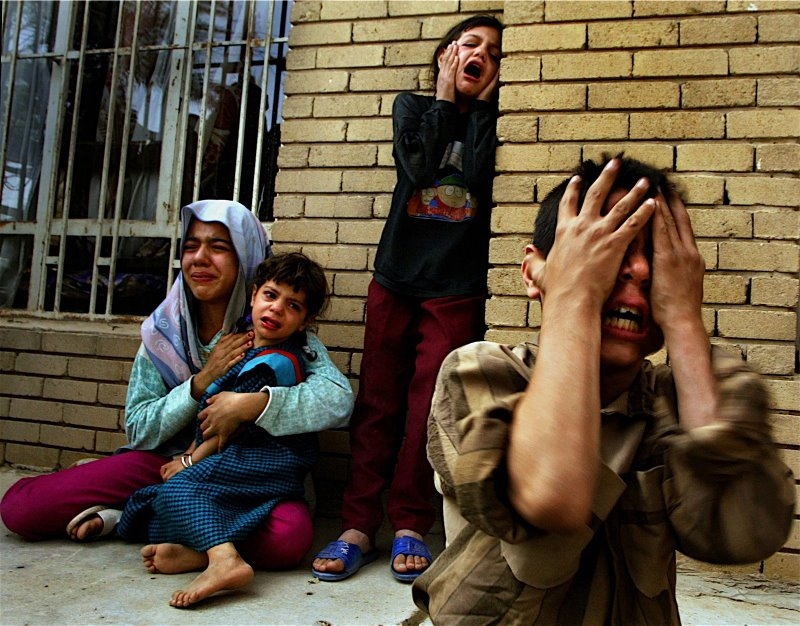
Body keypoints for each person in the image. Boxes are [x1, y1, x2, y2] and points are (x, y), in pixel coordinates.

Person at [411, 155, 795, 623]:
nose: (640, 270)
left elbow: (740, 535)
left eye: (658, 257)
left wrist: (683, 320)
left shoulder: (676, 399)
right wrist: (574, 293)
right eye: (608, 247)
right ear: (533, 272)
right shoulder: (481, 373)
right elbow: (551, 497)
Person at [0, 201, 354, 575]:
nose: (200, 258)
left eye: (218, 247)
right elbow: (139, 427)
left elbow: (337, 400)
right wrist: (200, 383)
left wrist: (250, 404)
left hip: (245, 475)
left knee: (286, 538)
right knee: (22, 509)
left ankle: (159, 529)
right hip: (164, 463)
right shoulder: (164, 332)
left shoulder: (276, 327)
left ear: (246, 257)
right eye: (191, 246)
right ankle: (169, 520)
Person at [311, 14, 503, 583]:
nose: (482, 56)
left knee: (426, 410)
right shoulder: (411, 108)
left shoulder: (494, 123)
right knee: (378, 404)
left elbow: (481, 175)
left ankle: (411, 524)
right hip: (396, 279)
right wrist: (443, 100)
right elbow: (416, 166)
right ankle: (356, 524)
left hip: (455, 289)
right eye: (470, 45)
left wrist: (478, 112)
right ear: (446, 54)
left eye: (494, 53)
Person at [117, 252, 330, 607]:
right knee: (170, 499)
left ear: (305, 322)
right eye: (270, 295)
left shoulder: (275, 362)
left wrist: (188, 461)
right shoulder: (243, 348)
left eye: (293, 306)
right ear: (254, 295)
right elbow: (210, 417)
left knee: (177, 491)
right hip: (240, 460)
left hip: (266, 459)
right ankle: (199, 552)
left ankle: (224, 560)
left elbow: (224, 429)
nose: (276, 309)